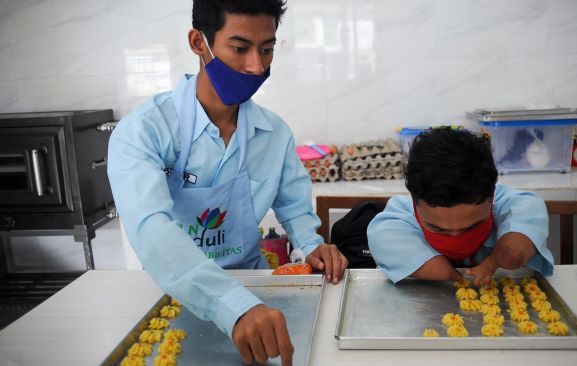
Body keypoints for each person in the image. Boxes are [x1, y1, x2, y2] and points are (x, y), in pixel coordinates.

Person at [107, 1, 348, 365]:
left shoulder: (273, 133)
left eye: (267, 50)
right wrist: (233, 307)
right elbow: (151, 229)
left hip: (256, 291)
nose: (256, 66)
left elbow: (294, 206)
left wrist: (310, 244)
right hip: (173, 294)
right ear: (198, 43)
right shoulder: (144, 132)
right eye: (240, 49)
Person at [367, 127, 553, 286]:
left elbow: (520, 234)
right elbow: (382, 236)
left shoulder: (514, 205)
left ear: (493, 192)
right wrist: (450, 276)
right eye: (438, 229)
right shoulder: (396, 220)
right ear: (414, 200)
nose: (456, 239)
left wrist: (497, 260)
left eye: (472, 227)